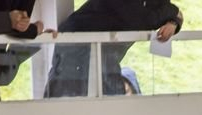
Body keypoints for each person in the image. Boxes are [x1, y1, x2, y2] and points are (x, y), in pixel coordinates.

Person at [44, 0, 183, 97]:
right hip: (76, 43)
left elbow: (177, 14)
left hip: (106, 52)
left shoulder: (156, 6)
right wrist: (169, 16)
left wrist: (173, 23)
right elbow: (138, 19)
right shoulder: (145, 11)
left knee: (111, 96)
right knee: (65, 93)